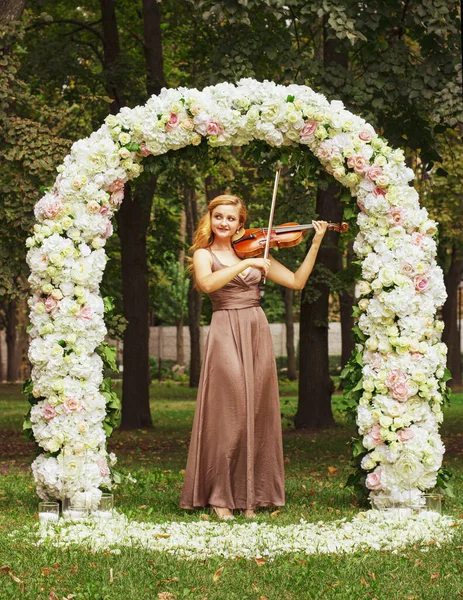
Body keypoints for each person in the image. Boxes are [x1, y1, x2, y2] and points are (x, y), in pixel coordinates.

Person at [179, 194, 328, 519]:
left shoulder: (258, 250)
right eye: (219, 216)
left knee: (255, 413)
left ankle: (249, 497)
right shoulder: (205, 254)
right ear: (210, 218)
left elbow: (297, 281)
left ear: (241, 224)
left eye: (231, 218)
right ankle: (219, 497)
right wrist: (245, 264)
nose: (224, 223)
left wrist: (315, 242)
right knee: (228, 414)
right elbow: (206, 284)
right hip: (225, 329)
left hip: (255, 329)